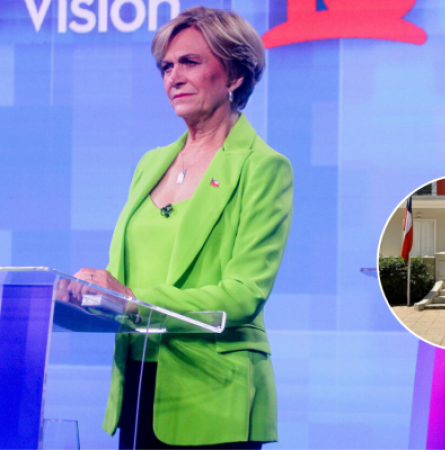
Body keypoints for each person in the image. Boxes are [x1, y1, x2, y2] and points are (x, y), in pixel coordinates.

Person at [69, 6, 293, 449]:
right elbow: (124, 279)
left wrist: (134, 300)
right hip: (138, 384)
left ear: (234, 75)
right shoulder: (151, 163)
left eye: (190, 62)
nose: (174, 77)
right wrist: (87, 293)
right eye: (166, 67)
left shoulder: (264, 168)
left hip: (214, 393)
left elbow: (244, 293)